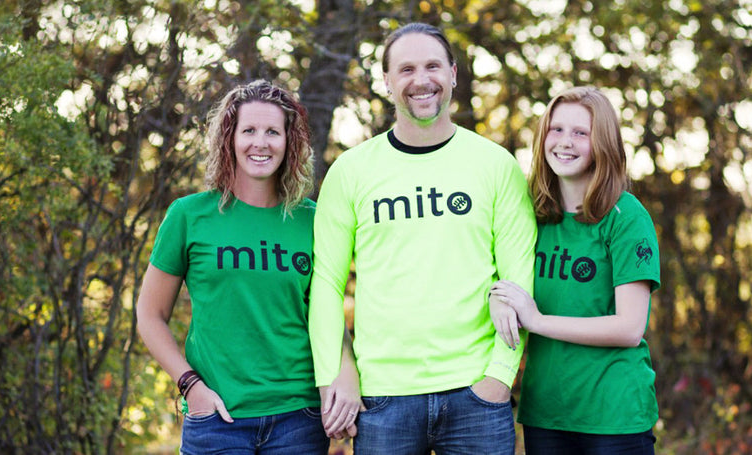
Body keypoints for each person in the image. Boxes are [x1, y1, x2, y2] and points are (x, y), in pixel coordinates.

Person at [307, 22, 537, 454]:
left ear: (452, 73)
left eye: (432, 65)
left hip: (476, 395)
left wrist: (499, 378)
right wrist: (336, 373)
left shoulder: (495, 165)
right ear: (388, 82)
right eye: (406, 69)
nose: (421, 79)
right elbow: (325, 283)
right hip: (383, 397)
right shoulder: (351, 171)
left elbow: (518, 278)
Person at [136, 80, 338, 454]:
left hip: (299, 419)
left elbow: (328, 315)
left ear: (289, 142)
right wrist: (191, 387)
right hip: (217, 418)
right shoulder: (189, 215)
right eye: (248, 130)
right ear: (229, 138)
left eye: (273, 132)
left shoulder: (314, 220)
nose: (260, 143)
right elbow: (150, 314)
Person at [489, 86, 661, 454]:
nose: (565, 142)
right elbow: (496, 275)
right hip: (547, 413)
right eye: (557, 129)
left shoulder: (626, 217)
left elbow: (629, 328)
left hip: (614, 413)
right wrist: (497, 298)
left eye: (581, 133)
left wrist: (537, 321)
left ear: (603, 143)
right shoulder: (529, 214)